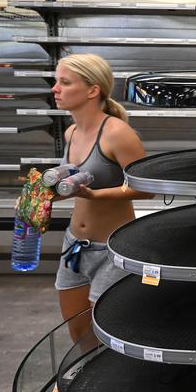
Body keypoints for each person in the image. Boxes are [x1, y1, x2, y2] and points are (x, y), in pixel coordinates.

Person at [50, 54, 153, 341]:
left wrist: (96, 195)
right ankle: (82, 384)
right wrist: (38, 199)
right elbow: (68, 186)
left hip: (112, 250)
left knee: (109, 334)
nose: (55, 89)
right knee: (79, 332)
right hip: (74, 247)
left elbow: (146, 188)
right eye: (56, 81)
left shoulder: (118, 134)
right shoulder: (71, 132)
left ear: (93, 90)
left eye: (64, 82)